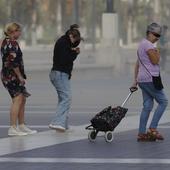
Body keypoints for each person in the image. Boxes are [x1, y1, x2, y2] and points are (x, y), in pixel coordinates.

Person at [132, 23, 168, 142]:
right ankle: (153, 128)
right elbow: (155, 60)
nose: (157, 37)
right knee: (163, 101)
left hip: (143, 79)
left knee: (147, 106)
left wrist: (135, 81)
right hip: (150, 79)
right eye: (156, 35)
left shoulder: (142, 44)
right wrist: (157, 52)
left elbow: (138, 64)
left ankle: (142, 133)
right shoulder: (148, 45)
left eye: (159, 35)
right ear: (149, 33)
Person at [1, 22, 37, 136]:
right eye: (19, 31)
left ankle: (21, 125)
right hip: (11, 75)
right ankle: (12, 128)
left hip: (8, 74)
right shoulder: (12, 43)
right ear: (13, 31)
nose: (20, 33)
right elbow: (13, 63)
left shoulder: (4, 41)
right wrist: (20, 76)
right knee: (18, 99)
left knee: (22, 99)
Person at [49, 27, 81, 132]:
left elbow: (66, 55)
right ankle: (57, 122)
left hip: (59, 74)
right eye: (75, 41)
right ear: (71, 36)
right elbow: (65, 59)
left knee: (63, 99)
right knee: (67, 98)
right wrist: (74, 53)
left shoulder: (64, 42)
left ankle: (63, 124)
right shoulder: (63, 42)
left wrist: (73, 51)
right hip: (60, 74)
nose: (75, 43)